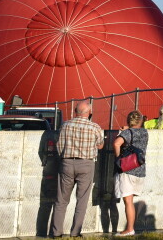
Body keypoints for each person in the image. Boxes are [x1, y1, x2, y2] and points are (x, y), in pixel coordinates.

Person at [50, 101, 104, 238]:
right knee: (82, 200)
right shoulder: (95, 127)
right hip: (86, 164)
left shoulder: (65, 125)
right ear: (89, 112)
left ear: (75, 111)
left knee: (61, 200)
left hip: (67, 163)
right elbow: (100, 145)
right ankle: (75, 233)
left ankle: (56, 233)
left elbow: (59, 145)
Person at [113, 109, 149, 237]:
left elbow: (117, 143)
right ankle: (131, 226)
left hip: (127, 169)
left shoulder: (127, 133)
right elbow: (136, 131)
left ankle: (129, 229)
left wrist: (119, 159)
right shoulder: (145, 133)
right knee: (131, 200)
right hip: (140, 169)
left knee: (127, 202)